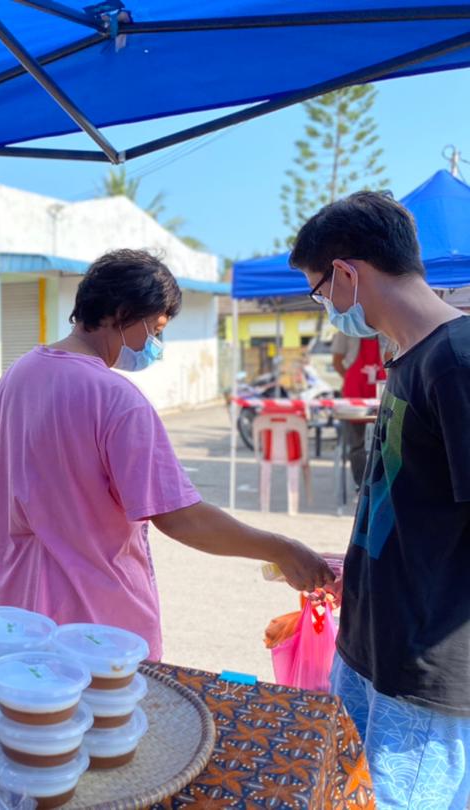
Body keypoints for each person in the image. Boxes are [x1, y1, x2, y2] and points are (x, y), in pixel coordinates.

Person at [0, 249, 333, 661]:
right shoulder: (116, 399)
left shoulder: (19, 374)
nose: (156, 345)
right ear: (123, 313)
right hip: (97, 628)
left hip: (16, 618)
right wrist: (282, 549)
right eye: (156, 329)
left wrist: (53, 491)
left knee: (28, 718)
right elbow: (180, 518)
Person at [291, 191, 470, 810]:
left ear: (346, 273)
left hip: (420, 671)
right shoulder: (408, 361)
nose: (326, 308)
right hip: (368, 646)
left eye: (320, 292)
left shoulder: (456, 359)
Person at [331, 333, 388, 488]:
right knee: (357, 444)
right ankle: (361, 486)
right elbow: (337, 361)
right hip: (354, 394)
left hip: (380, 393)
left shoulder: (385, 329)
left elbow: (391, 357)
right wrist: (350, 378)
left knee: (387, 441)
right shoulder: (345, 331)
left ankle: (383, 483)